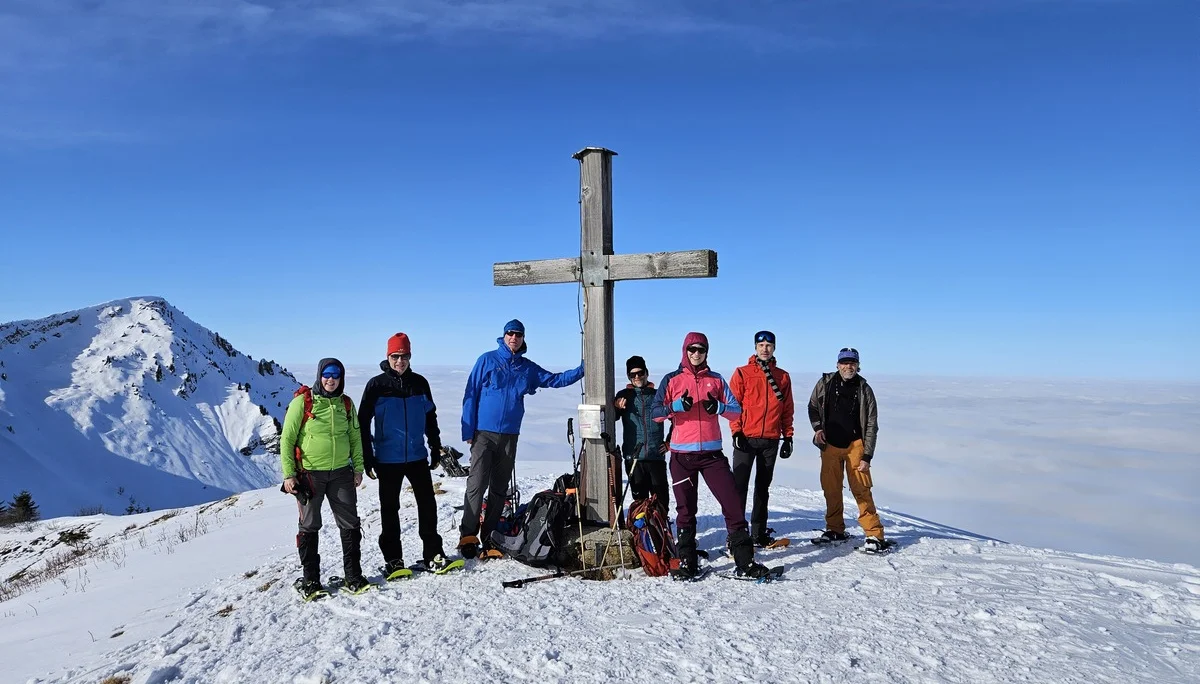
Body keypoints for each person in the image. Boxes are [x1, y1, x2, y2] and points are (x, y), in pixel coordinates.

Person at [458, 319, 584, 559]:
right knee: (476, 484)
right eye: (510, 333)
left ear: (523, 338)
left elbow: (554, 379)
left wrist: (583, 369)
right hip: (483, 433)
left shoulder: (527, 368)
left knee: (499, 488)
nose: (513, 337)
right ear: (503, 336)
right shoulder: (487, 360)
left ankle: (490, 536)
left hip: (509, 435)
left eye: (518, 334)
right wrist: (468, 430)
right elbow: (471, 393)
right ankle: (468, 536)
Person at [651, 332, 770, 580]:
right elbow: (655, 414)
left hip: (712, 456)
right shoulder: (671, 380)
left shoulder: (715, 380)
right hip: (682, 457)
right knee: (686, 510)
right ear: (685, 350)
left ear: (707, 352)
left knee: (733, 505)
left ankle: (745, 563)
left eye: (701, 350)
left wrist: (719, 408)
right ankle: (687, 562)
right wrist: (675, 408)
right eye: (692, 349)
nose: (696, 354)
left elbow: (737, 411)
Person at [358, 333, 452, 579]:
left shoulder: (420, 383)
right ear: (388, 356)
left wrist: (435, 446)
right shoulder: (376, 385)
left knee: (427, 506)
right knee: (390, 509)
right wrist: (368, 457)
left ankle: (433, 554)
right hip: (388, 458)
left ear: (410, 357)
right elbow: (362, 422)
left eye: (404, 356)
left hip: (417, 456)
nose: (400, 361)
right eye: (395, 356)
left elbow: (430, 417)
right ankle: (393, 560)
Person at [280, 358, 367, 597]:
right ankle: (311, 581)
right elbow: (287, 439)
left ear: (341, 378)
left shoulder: (346, 404)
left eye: (335, 375)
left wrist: (358, 469)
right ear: (319, 375)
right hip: (310, 475)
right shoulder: (302, 403)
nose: (331, 379)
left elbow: (355, 439)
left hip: (341, 473)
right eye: (327, 374)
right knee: (309, 525)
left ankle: (353, 576)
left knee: (350, 523)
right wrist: (289, 474)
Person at [807, 347, 888, 552]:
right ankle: (835, 529)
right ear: (837, 364)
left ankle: (874, 534)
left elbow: (871, 424)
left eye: (852, 363)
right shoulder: (825, 383)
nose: (848, 366)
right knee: (831, 489)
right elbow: (813, 406)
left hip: (856, 445)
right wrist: (818, 429)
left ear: (858, 365)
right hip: (829, 445)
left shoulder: (864, 389)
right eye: (844, 362)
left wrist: (867, 455)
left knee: (861, 489)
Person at [728, 330, 795, 547]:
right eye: (761, 345)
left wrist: (788, 437)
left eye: (769, 345)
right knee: (739, 487)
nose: (765, 349)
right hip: (746, 438)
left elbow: (787, 409)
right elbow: (733, 406)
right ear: (755, 348)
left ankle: (758, 532)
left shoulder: (783, 376)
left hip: (771, 440)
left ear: (774, 348)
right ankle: (736, 534)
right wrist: (736, 431)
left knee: (762, 488)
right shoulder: (742, 373)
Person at [613, 355, 669, 510]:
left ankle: (661, 531)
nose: (637, 377)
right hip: (634, 458)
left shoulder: (659, 395)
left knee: (661, 502)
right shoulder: (624, 395)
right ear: (628, 377)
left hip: (655, 456)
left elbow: (676, 419)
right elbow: (612, 418)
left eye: (640, 372)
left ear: (647, 372)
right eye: (633, 374)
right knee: (640, 503)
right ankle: (641, 533)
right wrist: (616, 408)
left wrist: (669, 442)